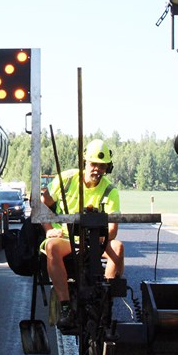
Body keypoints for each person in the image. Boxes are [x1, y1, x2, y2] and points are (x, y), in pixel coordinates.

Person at [40, 139, 124, 333]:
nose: (97, 170)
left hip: (96, 242)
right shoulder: (67, 180)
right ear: (85, 162)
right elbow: (41, 204)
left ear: (107, 168)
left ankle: (104, 301)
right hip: (66, 239)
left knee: (118, 248)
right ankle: (66, 306)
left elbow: (113, 229)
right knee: (52, 246)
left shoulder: (110, 191)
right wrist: (48, 229)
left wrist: (99, 238)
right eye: (93, 164)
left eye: (102, 166)